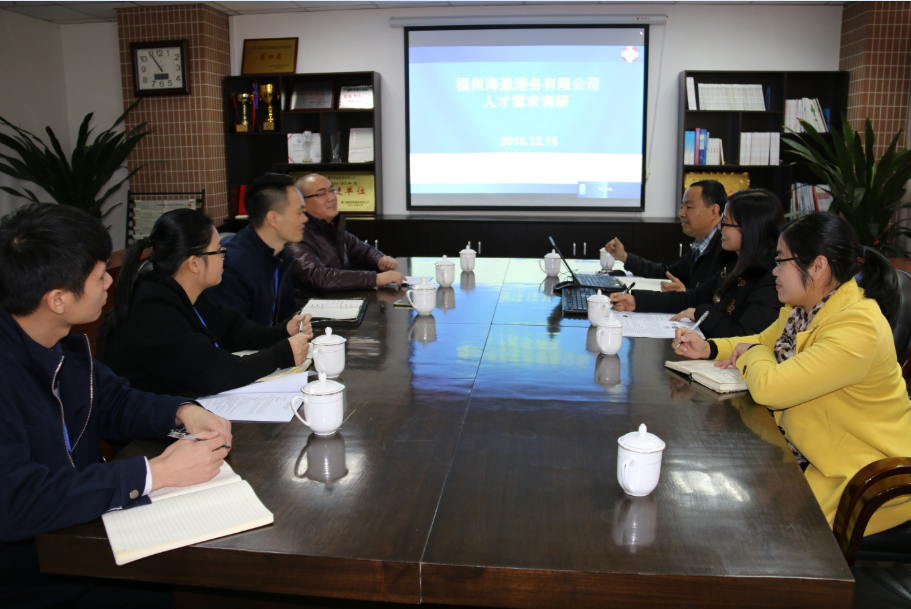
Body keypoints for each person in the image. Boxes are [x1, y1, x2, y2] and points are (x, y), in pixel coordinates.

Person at [0, 203, 232, 608]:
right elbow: (19, 502)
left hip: (89, 544)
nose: (110, 280)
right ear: (58, 300)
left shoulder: (63, 346)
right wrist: (156, 472)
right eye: (99, 275)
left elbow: (115, 401)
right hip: (37, 579)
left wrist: (183, 412)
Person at [673, 212, 911, 536]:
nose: (774, 270)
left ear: (818, 266)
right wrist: (709, 348)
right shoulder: (804, 308)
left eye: (781, 261)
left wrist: (753, 352)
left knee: (746, 526)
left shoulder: (859, 327)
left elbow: (769, 387)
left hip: (860, 474)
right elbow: (761, 341)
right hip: (806, 448)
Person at [97, 209, 313, 399]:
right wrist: (280, 355)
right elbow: (211, 373)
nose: (223, 258)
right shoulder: (153, 308)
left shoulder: (186, 294)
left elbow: (236, 331)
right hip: (150, 425)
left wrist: (283, 332)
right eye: (218, 251)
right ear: (194, 263)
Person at [610, 189, 784, 339]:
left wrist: (701, 313)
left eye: (726, 222)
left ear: (750, 229)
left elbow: (745, 336)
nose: (721, 228)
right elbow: (693, 297)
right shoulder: (733, 262)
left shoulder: (770, 278)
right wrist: (637, 301)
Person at [288, 173, 406, 307]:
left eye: (332, 191)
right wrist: (374, 278)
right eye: (321, 194)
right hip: (309, 311)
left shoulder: (331, 228)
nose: (332, 197)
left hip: (337, 304)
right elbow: (318, 277)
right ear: (302, 203)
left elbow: (364, 251)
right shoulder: (295, 236)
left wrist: (380, 260)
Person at [207, 173, 306, 326]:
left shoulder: (279, 253)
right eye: (299, 213)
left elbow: (286, 316)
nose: (305, 219)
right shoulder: (232, 266)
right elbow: (232, 333)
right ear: (273, 218)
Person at [605, 180, 727, 291]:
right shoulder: (699, 247)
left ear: (713, 211)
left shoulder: (726, 250)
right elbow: (666, 273)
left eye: (689, 207)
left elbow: (718, 300)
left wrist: (685, 295)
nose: (681, 213)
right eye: (682, 207)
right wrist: (625, 257)